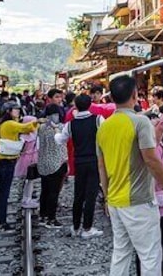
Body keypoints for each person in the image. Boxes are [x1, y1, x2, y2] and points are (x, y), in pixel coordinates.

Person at [97, 75, 163, 276]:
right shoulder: (140, 122)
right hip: (139, 200)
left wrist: (107, 197)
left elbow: (101, 167)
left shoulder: (104, 127)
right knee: (150, 255)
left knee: (121, 252)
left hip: (115, 201)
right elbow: (151, 159)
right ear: (135, 95)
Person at [55, 94, 103, 238]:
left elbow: (60, 140)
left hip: (79, 161)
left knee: (79, 194)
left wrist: (56, 131)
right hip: (94, 160)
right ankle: (87, 228)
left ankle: (75, 226)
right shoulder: (98, 119)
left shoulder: (71, 124)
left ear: (76, 106)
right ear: (90, 104)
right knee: (91, 195)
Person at [0, 101, 37, 230]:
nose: (18, 111)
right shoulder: (10, 124)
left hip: (3, 160)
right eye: (15, 110)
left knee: (1, 190)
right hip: (7, 161)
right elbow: (27, 128)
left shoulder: (2, 124)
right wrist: (38, 122)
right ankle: (1, 222)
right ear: (8, 111)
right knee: (4, 192)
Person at [146, 96, 163, 274]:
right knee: (159, 241)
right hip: (155, 201)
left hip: (160, 201)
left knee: (161, 241)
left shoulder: (157, 144)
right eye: (156, 125)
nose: (160, 126)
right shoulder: (152, 148)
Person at [37, 104, 68, 229]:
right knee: (54, 192)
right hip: (57, 163)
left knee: (45, 190)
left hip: (43, 162)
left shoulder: (41, 128)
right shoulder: (61, 127)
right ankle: (51, 218)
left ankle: (42, 215)